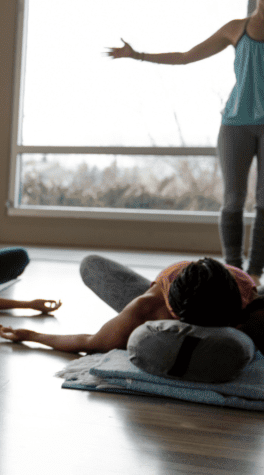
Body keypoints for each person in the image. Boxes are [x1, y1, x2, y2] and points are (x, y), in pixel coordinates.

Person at [107, 4, 264, 282]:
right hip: (235, 123)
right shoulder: (235, 28)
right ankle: (234, 272)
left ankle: (254, 274)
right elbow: (185, 56)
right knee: (233, 200)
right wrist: (137, 55)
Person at [0, 255, 260, 354]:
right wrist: (31, 335)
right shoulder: (149, 308)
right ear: (175, 314)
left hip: (230, 287)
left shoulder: (249, 303)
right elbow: (90, 343)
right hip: (161, 290)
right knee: (91, 265)